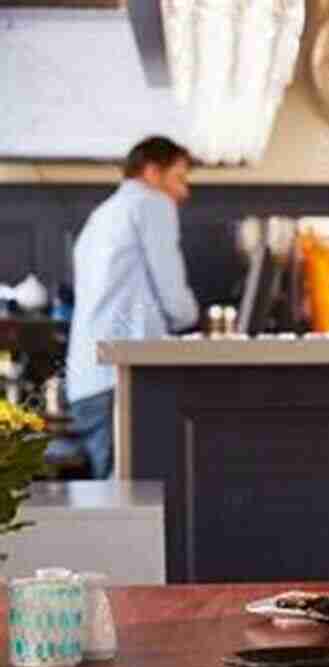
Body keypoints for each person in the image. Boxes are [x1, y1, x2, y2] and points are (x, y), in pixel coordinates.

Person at [66, 136, 199, 478]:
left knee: (110, 502)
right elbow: (174, 297)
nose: (185, 192)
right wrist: (194, 320)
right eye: (180, 179)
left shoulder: (102, 215)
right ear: (153, 172)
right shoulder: (151, 204)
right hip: (118, 378)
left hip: (88, 381)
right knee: (124, 508)